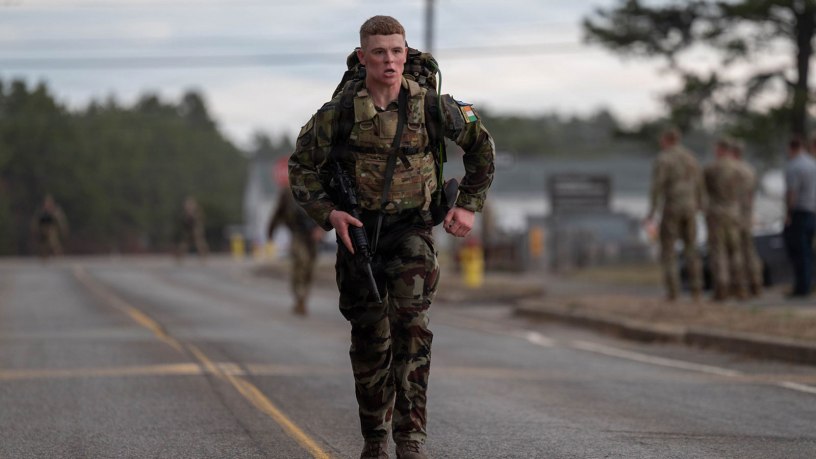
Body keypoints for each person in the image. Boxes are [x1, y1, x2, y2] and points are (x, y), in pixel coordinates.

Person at [288, 15, 494, 459]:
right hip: (358, 235)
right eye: (379, 52)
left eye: (397, 51)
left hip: (412, 230)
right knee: (369, 338)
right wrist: (330, 214)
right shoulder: (339, 114)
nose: (390, 60)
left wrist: (468, 206)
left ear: (406, 53)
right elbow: (300, 167)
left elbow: (482, 148)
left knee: (412, 329)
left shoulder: (434, 106)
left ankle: (411, 440)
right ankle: (375, 440)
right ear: (363, 57)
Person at [645, 128, 704, 301]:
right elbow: (699, 183)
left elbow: (657, 186)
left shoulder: (664, 159)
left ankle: (673, 291)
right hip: (690, 207)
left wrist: (652, 211)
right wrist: (699, 203)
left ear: (667, 140)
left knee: (668, 249)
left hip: (673, 207)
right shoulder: (691, 158)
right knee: (691, 248)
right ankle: (697, 290)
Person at [267, 174, 325, 316]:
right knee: (301, 263)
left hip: (313, 236)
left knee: (310, 268)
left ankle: (303, 297)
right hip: (298, 234)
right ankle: (299, 298)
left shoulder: (318, 188)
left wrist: (321, 230)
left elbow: (327, 211)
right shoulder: (287, 192)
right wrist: (270, 231)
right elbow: (278, 212)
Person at [703, 138, 747, 301]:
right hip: (734, 213)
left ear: (720, 149)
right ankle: (741, 287)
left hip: (717, 213)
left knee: (719, 251)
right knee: (735, 251)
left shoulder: (712, 168)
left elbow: (703, 190)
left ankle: (722, 288)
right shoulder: (741, 170)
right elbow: (745, 192)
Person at [783, 138, 816, 297]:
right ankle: (808, 284)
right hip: (812, 212)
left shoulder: (794, 166)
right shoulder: (812, 164)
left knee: (798, 251)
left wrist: (788, 213)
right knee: (808, 251)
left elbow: (792, 192)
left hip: (799, 213)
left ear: (792, 148)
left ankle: (801, 288)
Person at [731, 140, 764, 297]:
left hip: (734, 215)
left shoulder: (732, 170)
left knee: (736, 252)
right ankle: (756, 282)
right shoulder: (750, 170)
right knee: (750, 251)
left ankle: (740, 286)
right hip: (747, 214)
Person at [31, 194, 68, 259]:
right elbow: (36, 221)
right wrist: (35, 230)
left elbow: (60, 222)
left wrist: (63, 230)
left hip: (52, 229)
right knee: (43, 245)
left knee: (54, 242)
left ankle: (58, 256)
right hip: (43, 229)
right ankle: (44, 256)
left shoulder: (55, 211)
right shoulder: (41, 211)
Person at [175, 196, 209, 261]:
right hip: (188, 228)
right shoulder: (187, 211)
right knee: (185, 243)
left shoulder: (197, 210)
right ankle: (179, 257)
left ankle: (204, 256)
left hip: (196, 227)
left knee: (199, 242)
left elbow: (200, 218)